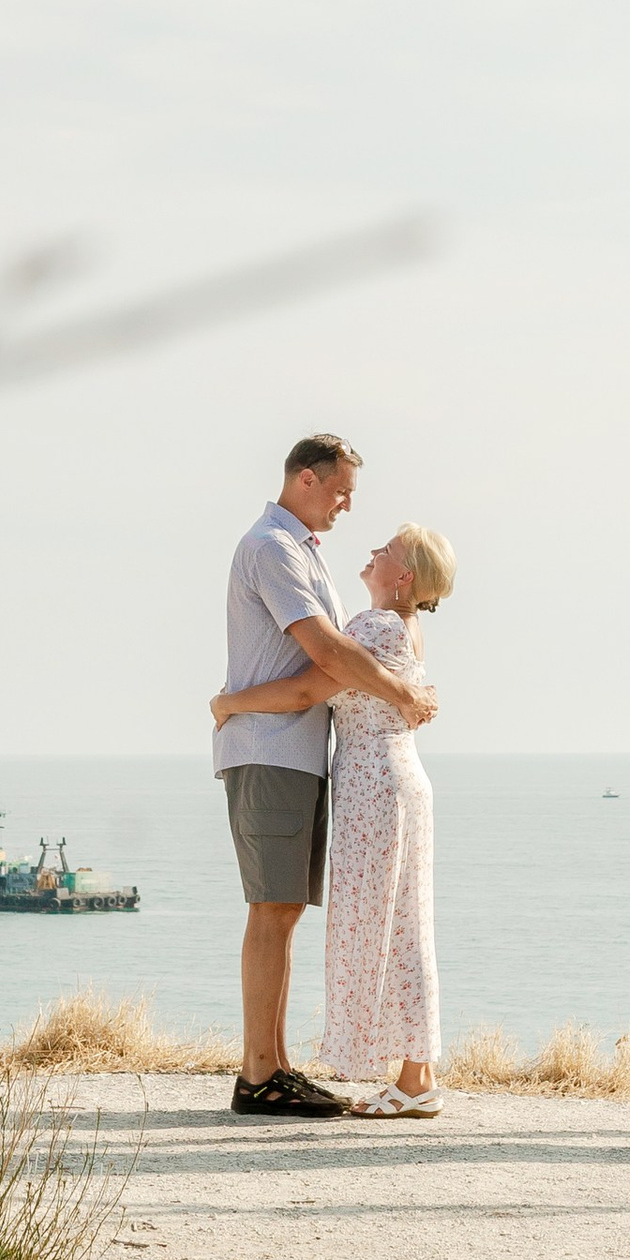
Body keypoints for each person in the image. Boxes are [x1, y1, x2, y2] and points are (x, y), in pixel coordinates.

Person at [210, 436, 435, 1121]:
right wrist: (401, 691)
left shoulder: (302, 550)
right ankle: (260, 1075)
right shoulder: (274, 549)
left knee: (282, 910)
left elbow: (334, 664)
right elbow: (324, 658)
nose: (346, 505)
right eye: (340, 491)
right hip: (273, 747)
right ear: (306, 479)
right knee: (270, 910)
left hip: (300, 756)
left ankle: (274, 1067)